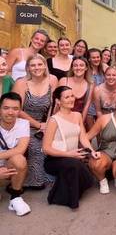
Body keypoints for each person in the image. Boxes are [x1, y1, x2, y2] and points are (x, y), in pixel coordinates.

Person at [42, 86, 99, 209]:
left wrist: (92, 151)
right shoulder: (53, 120)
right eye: (66, 97)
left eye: (72, 96)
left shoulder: (77, 115)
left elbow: (83, 137)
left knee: (84, 175)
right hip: (54, 159)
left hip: (72, 157)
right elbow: (46, 148)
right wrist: (70, 154)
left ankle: (60, 192)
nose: (71, 99)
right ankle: (70, 201)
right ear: (58, 101)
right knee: (74, 165)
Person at [12, 54, 57, 188]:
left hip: (47, 123)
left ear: (45, 66)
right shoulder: (21, 83)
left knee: (56, 143)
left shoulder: (52, 80)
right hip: (25, 124)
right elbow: (17, 110)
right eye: (33, 65)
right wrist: (38, 125)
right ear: (28, 68)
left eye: (39, 64)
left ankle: (51, 174)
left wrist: (48, 124)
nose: (37, 68)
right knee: (37, 148)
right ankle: (32, 180)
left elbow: (53, 105)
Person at [88, 92, 116, 194]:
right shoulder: (104, 119)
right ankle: (102, 181)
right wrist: (90, 151)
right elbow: (87, 137)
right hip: (106, 153)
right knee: (95, 163)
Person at [0, 92, 31, 216]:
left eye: (15, 109)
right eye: (6, 108)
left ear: (20, 110)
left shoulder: (23, 124)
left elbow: (21, 150)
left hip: (8, 167)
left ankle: (15, 197)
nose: (10, 112)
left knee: (19, 159)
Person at [58, 56, 93, 123]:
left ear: (86, 68)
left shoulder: (90, 85)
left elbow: (86, 107)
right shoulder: (64, 81)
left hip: (79, 120)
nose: (78, 68)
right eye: (75, 65)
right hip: (62, 119)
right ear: (72, 68)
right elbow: (57, 104)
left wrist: (79, 124)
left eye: (81, 65)